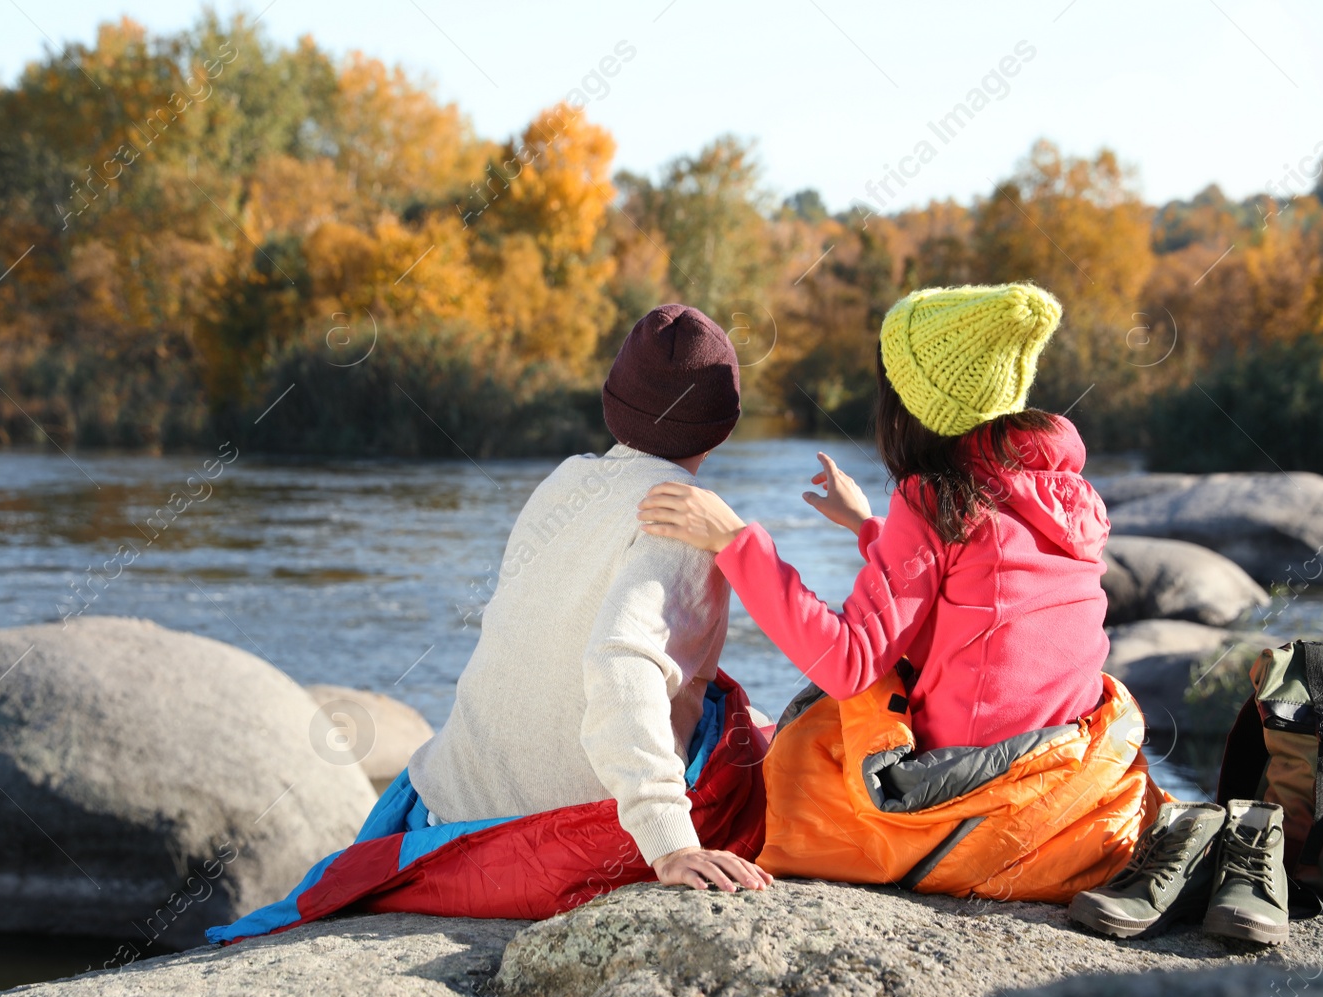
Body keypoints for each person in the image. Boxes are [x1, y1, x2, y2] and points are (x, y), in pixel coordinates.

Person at [636, 282, 1109, 751]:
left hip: (968, 785)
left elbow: (847, 663)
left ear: (913, 406)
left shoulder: (933, 499)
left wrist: (735, 540)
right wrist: (867, 528)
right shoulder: (1065, 496)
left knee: (796, 751)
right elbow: (978, 588)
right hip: (1065, 760)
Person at [407, 304, 771, 893]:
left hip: (457, 794)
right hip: (552, 822)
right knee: (762, 747)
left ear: (611, 402)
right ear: (724, 425)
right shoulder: (686, 521)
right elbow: (618, 664)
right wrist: (670, 842)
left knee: (726, 704)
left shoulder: (565, 480)